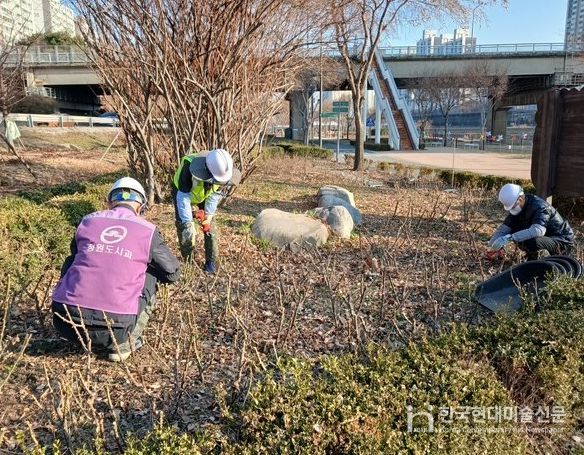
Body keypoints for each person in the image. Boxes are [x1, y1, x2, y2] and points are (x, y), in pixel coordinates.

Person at [52, 177, 181, 361]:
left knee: (73, 260)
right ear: (140, 207)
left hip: (64, 322)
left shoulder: (87, 221)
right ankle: (125, 344)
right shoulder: (148, 230)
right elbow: (172, 273)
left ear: (109, 202)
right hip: (117, 329)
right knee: (152, 273)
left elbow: (74, 255)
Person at [172, 148, 241, 273]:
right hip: (183, 193)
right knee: (185, 229)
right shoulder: (188, 166)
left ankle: (211, 262)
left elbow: (214, 194)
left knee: (210, 227)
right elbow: (183, 197)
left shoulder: (223, 172)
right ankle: (189, 262)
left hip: (205, 195)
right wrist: (188, 223)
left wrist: (208, 216)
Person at [488, 183, 575, 260]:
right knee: (517, 232)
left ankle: (543, 258)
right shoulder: (518, 209)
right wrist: (493, 246)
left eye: (513, 207)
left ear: (520, 199)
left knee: (530, 240)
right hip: (545, 239)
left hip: (561, 241)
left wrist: (510, 237)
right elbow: (504, 229)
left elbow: (538, 230)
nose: (512, 210)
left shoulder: (541, 207)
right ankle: (533, 256)